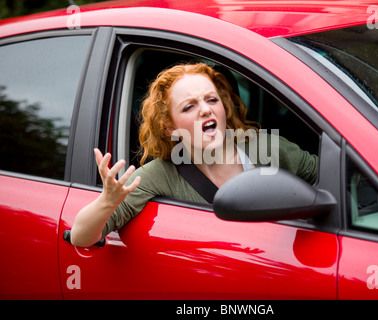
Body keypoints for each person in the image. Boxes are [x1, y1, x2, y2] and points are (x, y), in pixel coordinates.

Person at [70, 62, 318, 247]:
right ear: (170, 127)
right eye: (189, 106)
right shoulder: (159, 175)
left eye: (211, 100)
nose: (205, 110)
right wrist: (107, 201)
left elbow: (338, 179)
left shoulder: (266, 148)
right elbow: (81, 238)